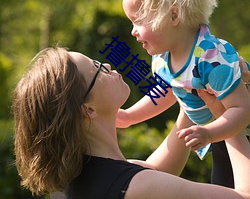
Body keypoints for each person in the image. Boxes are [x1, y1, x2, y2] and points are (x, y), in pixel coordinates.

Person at [13, 47, 250, 199]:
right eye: (97, 69)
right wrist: (226, 114)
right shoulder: (138, 187)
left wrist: (191, 89)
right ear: (88, 109)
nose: (106, 65)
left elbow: (156, 170)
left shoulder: (73, 183)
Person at [119, 0, 250, 188]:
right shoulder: (163, 57)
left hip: (239, 135)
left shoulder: (210, 58)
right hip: (220, 138)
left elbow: (242, 109)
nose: (133, 31)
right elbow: (169, 91)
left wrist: (209, 133)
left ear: (173, 16)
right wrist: (130, 116)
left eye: (138, 21)